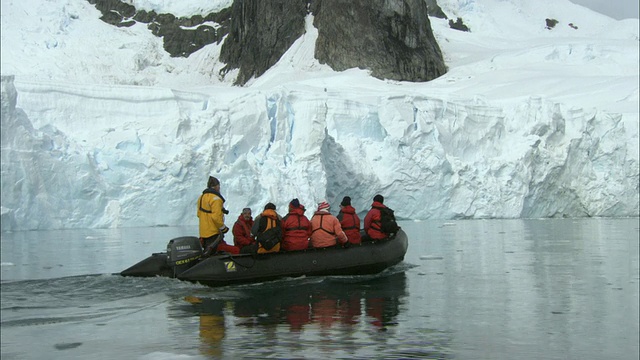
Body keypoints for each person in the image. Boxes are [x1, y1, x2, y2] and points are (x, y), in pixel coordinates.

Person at [196, 176, 239, 255]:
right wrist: (223, 228)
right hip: (213, 233)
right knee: (215, 251)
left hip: (203, 233)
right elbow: (216, 217)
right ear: (216, 186)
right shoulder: (216, 199)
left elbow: (198, 214)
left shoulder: (201, 198)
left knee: (207, 252)